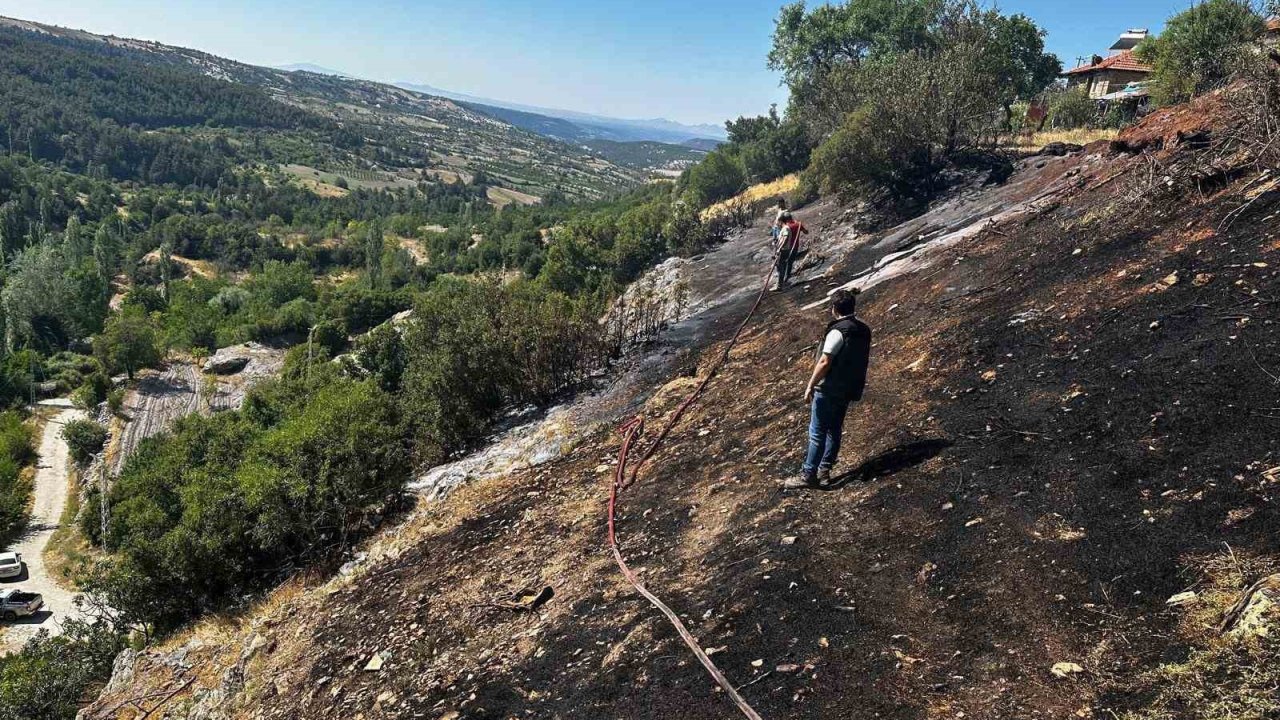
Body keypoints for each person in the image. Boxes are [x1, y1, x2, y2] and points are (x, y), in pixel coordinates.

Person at [784, 288, 872, 489]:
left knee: (817, 431)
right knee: (834, 429)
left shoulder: (838, 331)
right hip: (848, 388)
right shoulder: (863, 329)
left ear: (834, 309)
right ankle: (825, 470)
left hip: (829, 388)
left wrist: (810, 384)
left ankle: (808, 474)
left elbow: (825, 361)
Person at [772, 213, 808, 291]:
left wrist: (779, 248)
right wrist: (800, 225)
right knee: (789, 262)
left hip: (786, 248)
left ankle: (782, 281)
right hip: (794, 246)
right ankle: (786, 277)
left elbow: (784, 238)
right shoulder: (797, 225)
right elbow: (806, 232)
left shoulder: (786, 227)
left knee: (782, 264)